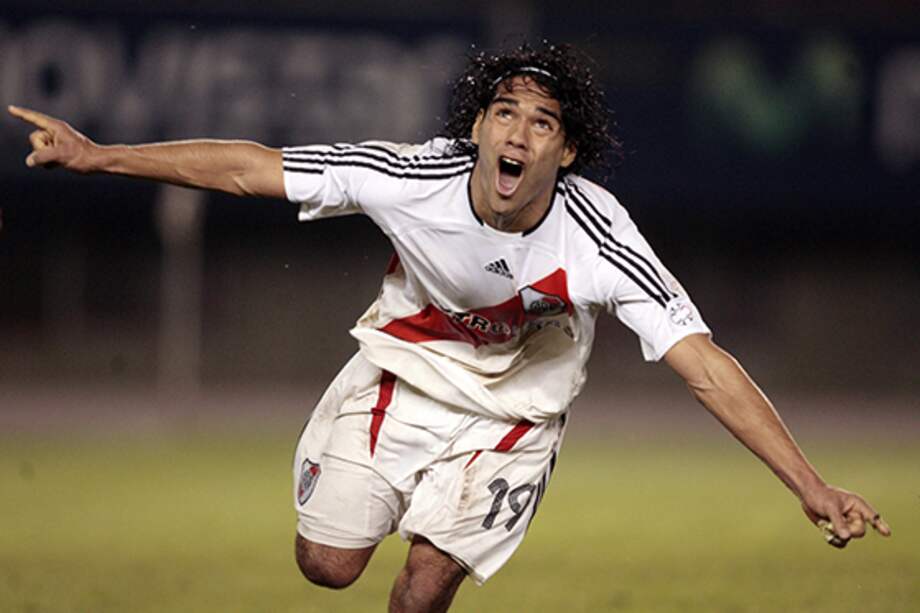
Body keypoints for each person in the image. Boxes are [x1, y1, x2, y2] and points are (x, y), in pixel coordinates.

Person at [9, 42, 890, 613]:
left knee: (423, 588)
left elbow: (705, 365)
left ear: (566, 150)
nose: (519, 132)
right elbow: (253, 168)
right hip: (401, 374)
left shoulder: (598, 235)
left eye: (543, 122)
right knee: (326, 564)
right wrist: (100, 155)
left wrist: (808, 485)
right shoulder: (410, 174)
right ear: (476, 126)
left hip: (514, 417)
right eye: (504, 112)